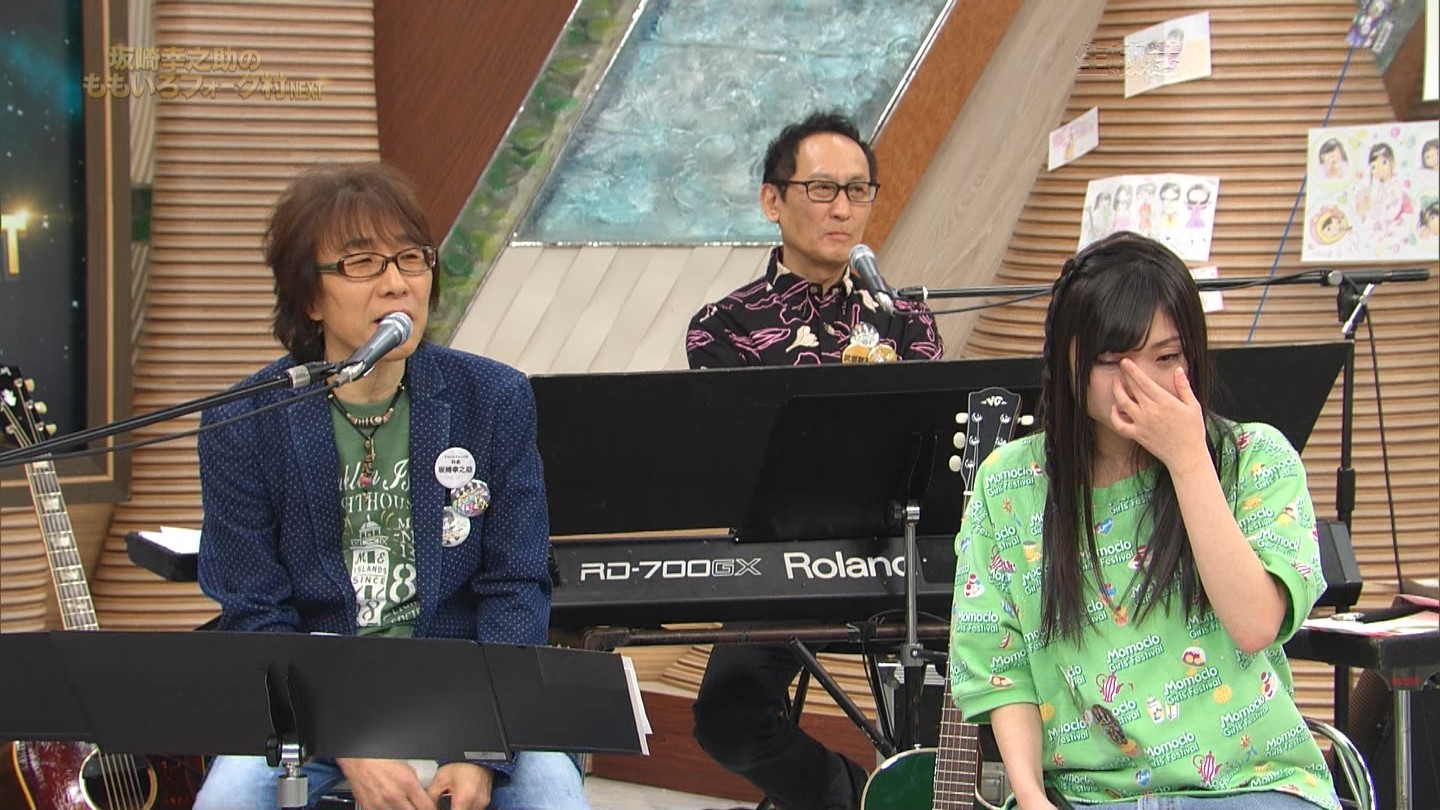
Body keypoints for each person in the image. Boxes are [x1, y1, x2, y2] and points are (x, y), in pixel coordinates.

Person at [193, 163, 588, 810]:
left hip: (467, 689)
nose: (397, 283)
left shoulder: (493, 399)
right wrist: (345, 735)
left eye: (411, 258)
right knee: (229, 798)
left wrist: (480, 747)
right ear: (310, 298)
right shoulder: (245, 422)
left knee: (553, 793)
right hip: (316, 698)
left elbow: (515, 584)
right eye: (362, 264)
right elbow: (255, 613)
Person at [949, 232, 1341, 810]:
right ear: (1067, 360)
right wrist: (1031, 796)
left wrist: (1189, 460)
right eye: (1111, 360)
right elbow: (999, 668)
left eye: (1167, 357)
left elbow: (1257, 623)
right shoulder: (1009, 483)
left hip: (1251, 787)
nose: (1141, 382)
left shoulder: (1254, 458)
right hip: (1086, 797)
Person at [685, 111, 942, 809]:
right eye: (822, 189)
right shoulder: (724, 327)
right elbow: (740, 461)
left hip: (899, 557)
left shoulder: (906, 320)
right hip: (782, 564)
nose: (842, 209)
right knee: (729, 718)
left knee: (976, 693)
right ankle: (856, 800)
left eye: (858, 191)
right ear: (773, 200)